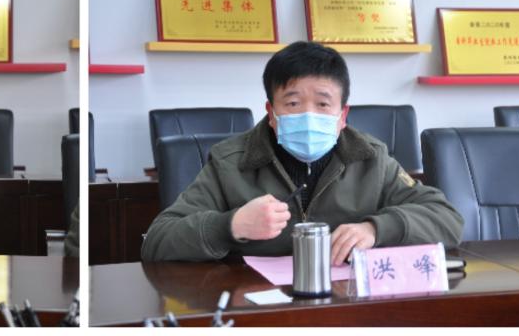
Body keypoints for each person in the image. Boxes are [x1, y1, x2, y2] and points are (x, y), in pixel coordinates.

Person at [140, 42, 463, 264]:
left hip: (345, 305)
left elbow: (447, 220)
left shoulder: (371, 158)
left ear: (342, 115)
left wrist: (376, 229)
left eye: (323, 104)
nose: (309, 115)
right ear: (271, 112)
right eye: (293, 103)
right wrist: (231, 225)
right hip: (257, 306)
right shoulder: (230, 162)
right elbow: (157, 241)